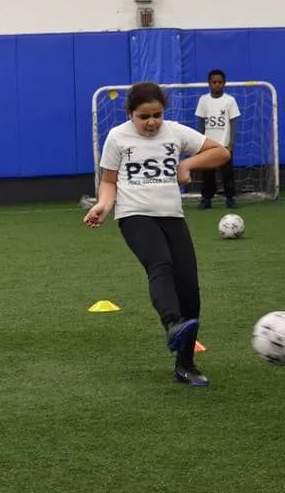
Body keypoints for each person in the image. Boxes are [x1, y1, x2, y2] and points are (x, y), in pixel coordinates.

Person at [84, 82, 230, 386]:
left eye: (157, 115)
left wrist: (188, 163)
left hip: (172, 217)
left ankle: (185, 365)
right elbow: (109, 181)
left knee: (189, 287)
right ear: (130, 114)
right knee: (160, 264)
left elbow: (221, 153)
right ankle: (173, 323)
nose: (151, 122)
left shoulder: (175, 132)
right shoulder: (117, 137)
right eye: (143, 116)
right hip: (134, 216)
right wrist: (104, 205)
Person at [195, 69, 240, 209]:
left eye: (220, 82)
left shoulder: (230, 100)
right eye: (214, 82)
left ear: (224, 84)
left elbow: (233, 123)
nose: (217, 85)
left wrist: (231, 143)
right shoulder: (203, 100)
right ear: (209, 83)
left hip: (224, 144)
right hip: (208, 145)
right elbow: (201, 123)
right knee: (207, 173)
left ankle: (230, 198)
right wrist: (200, 143)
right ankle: (206, 199)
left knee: (227, 173)